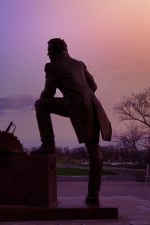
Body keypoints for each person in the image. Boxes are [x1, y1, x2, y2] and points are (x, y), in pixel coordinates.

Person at [33, 38, 112, 205]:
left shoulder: (52, 66)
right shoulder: (79, 64)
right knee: (94, 150)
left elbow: (48, 92)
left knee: (40, 105)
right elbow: (94, 86)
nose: (47, 53)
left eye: (49, 50)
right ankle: (93, 195)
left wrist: (70, 95)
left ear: (55, 51)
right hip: (93, 106)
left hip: (76, 105)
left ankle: (48, 144)